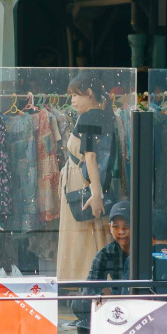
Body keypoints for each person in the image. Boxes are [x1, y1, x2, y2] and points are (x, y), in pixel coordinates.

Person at [56, 72, 112, 283]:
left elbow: (91, 156)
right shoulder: (103, 115)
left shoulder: (89, 117)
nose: (72, 101)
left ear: (89, 93)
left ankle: (83, 283)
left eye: (75, 95)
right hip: (86, 179)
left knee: (82, 239)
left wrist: (96, 194)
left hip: (81, 181)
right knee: (91, 235)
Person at [75, 201, 133, 334]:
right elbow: (89, 290)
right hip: (115, 308)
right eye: (116, 227)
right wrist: (103, 296)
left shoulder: (145, 251)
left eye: (126, 226)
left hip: (140, 306)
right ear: (110, 228)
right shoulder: (104, 254)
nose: (121, 231)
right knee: (77, 304)